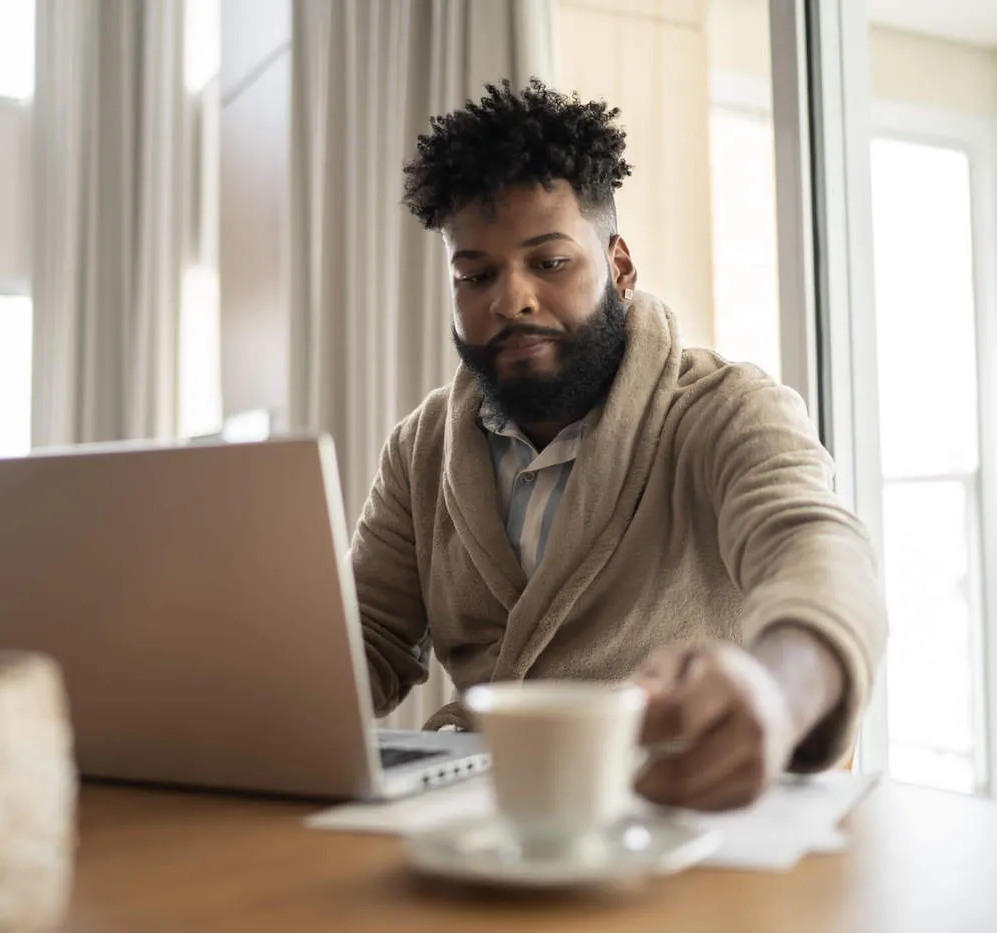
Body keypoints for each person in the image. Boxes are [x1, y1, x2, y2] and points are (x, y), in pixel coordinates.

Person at [351, 78, 886, 812]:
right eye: (475, 274)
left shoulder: (727, 409)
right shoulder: (420, 448)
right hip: (481, 821)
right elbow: (367, 636)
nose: (510, 298)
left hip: (673, 812)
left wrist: (774, 690)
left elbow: (821, 555)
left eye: (549, 262)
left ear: (620, 268)